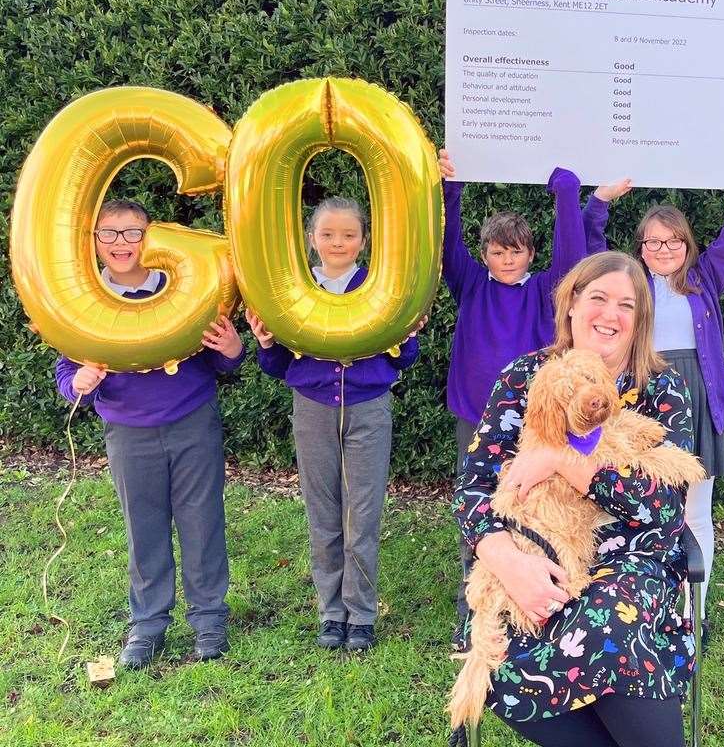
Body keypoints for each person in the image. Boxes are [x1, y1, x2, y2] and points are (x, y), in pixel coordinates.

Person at [454, 252, 695, 747]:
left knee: (610, 630)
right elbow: (474, 487)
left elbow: (665, 508)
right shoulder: (524, 379)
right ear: (570, 306)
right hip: (532, 557)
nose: (610, 315)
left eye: (626, 306)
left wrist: (565, 463)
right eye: (598, 298)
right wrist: (507, 561)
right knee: (499, 655)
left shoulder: (660, 390)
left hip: (633, 565)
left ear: (639, 322)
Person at [579, 145, 724, 635]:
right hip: (640, 404)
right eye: (652, 242)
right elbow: (588, 245)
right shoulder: (631, 285)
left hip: (697, 402)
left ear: (687, 245)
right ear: (640, 247)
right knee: (632, 507)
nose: (662, 250)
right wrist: (599, 201)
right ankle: (640, 605)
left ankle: (695, 611)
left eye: (672, 242)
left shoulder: (706, 279)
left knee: (695, 512)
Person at [54, 199, 244, 667]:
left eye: (133, 232)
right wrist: (76, 383)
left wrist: (233, 349)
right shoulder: (83, 300)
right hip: (128, 432)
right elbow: (67, 369)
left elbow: (220, 360)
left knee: (202, 522)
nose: (122, 243)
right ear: (93, 241)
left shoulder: (185, 286)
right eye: (110, 234)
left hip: (192, 423)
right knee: (145, 530)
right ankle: (149, 625)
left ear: (151, 236)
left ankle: (208, 620)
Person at [247, 196, 421, 653]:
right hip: (313, 409)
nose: (337, 242)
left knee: (361, 515)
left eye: (348, 234)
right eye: (327, 234)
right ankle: (330, 612)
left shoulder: (383, 286)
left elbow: (405, 358)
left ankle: (361, 614)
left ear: (364, 240)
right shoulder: (295, 289)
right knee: (323, 514)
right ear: (311, 240)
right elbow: (278, 364)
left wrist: (406, 339)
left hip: (368, 408)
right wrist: (266, 342)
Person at [436, 151, 591, 639]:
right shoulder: (469, 283)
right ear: (485, 254)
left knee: (531, 505)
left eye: (517, 251)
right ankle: (475, 599)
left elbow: (573, 260)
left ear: (530, 253)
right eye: (498, 252)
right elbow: (445, 245)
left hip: (531, 422)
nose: (507, 259)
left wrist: (567, 196)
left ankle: (532, 597)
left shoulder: (546, 288)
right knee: (476, 502)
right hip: (475, 418)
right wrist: (450, 189)